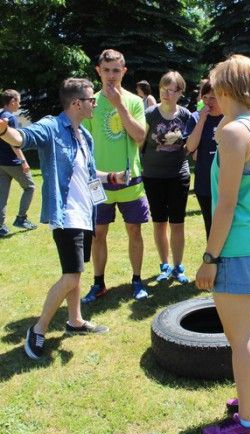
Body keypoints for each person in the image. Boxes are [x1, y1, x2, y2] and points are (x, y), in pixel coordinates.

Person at [0, 78, 129, 360]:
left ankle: (75, 321)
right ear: (76, 103)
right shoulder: (52, 126)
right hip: (67, 216)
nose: (94, 104)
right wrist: (4, 131)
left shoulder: (85, 135)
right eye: (91, 100)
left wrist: (111, 177)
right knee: (71, 275)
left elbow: (88, 173)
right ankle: (38, 329)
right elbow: (24, 138)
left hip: (85, 214)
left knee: (76, 272)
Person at [195, 54, 250, 434]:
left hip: (239, 248)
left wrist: (210, 258)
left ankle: (247, 424)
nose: (210, 93)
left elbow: (225, 205)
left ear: (225, 87)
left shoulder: (233, 134)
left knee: (241, 338)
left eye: (214, 85)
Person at [81, 49, 150, 303]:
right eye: (106, 70)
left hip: (131, 181)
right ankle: (98, 283)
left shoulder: (133, 101)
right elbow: (84, 143)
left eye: (116, 71)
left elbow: (140, 137)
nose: (111, 76)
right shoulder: (90, 102)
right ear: (98, 71)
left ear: (124, 71)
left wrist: (120, 104)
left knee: (134, 230)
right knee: (98, 234)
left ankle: (137, 280)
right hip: (98, 181)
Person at [142, 71, 193, 284]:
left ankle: (178, 266)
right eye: (164, 88)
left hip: (178, 175)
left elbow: (190, 144)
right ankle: (164, 265)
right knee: (159, 223)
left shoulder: (186, 116)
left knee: (177, 223)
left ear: (180, 93)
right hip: (152, 175)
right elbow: (140, 143)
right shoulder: (150, 114)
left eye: (172, 90)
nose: (167, 94)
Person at [0, 89, 37, 237]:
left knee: (2, 195)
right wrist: (23, 161)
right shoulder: (10, 118)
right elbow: (14, 142)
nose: (19, 105)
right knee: (30, 187)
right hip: (12, 162)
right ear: (12, 102)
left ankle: (1, 226)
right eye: (18, 101)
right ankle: (21, 218)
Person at [184, 79, 223, 238]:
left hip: (227, 182)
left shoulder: (229, 117)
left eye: (213, 98)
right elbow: (190, 147)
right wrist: (201, 120)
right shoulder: (195, 117)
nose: (208, 102)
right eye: (205, 97)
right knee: (211, 226)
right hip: (205, 182)